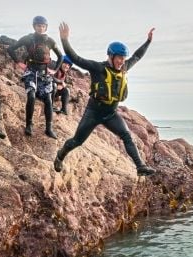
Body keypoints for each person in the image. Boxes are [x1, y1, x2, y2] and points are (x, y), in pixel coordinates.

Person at [53, 22, 156, 176]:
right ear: (111, 56)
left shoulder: (125, 67)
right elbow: (76, 58)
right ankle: (60, 155)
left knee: (127, 135)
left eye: (123, 58)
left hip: (111, 114)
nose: (122, 61)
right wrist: (64, 40)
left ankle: (140, 166)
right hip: (93, 113)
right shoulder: (98, 68)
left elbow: (137, 56)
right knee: (77, 141)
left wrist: (148, 41)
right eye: (119, 58)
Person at [6, 15, 63, 139]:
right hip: (31, 72)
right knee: (31, 96)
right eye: (38, 26)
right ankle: (29, 125)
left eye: (43, 26)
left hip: (44, 74)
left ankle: (49, 128)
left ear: (46, 27)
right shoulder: (28, 39)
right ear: (34, 26)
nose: (41, 28)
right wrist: (18, 62)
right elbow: (10, 49)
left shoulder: (50, 41)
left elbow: (61, 56)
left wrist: (54, 70)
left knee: (48, 99)